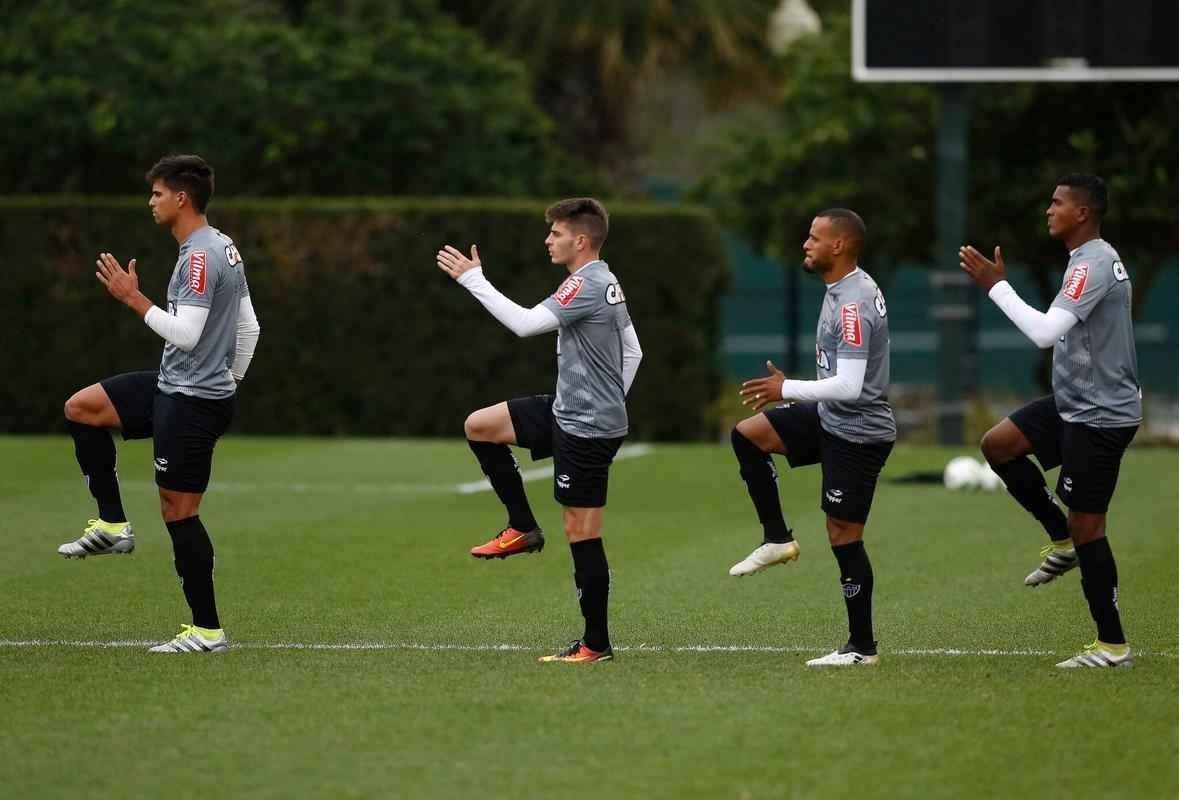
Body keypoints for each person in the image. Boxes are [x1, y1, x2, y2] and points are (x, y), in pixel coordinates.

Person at [58, 154, 261, 654]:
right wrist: (228, 380)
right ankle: (111, 524)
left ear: (181, 198)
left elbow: (188, 335)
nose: (150, 201)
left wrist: (133, 298)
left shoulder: (197, 257)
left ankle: (207, 631)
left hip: (191, 400)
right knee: (82, 409)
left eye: (156, 193)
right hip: (179, 387)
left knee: (178, 513)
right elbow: (250, 328)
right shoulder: (223, 246)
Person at [436, 198, 642, 664]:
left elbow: (526, 325)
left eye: (555, 233)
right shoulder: (605, 280)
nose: (548, 240)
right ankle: (523, 528)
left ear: (581, 240)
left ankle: (595, 644)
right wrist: (612, 398)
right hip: (571, 410)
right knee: (480, 426)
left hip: (586, 427)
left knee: (582, 532)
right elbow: (634, 352)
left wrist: (473, 279)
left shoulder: (588, 283)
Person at [960, 173, 1140, 669]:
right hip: (1073, 401)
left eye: (1057, 202)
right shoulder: (1086, 260)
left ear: (1082, 213)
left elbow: (1044, 333)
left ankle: (1112, 646)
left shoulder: (1093, 263)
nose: (1049, 209)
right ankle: (1060, 540)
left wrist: (997, 287)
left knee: (1090, 526)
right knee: (999, 445)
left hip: (1100, 413)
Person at [730, 209, 895, 667]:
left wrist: (787, 389)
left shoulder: (852, 304)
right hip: (831, 417)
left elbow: (851, 386)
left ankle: (862, 648)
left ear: (839, 245)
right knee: (748, 436)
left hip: (859, 431)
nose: (805, 243)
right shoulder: (841, 289)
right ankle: (777, 538)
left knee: (842, 534)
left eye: (814, 237)